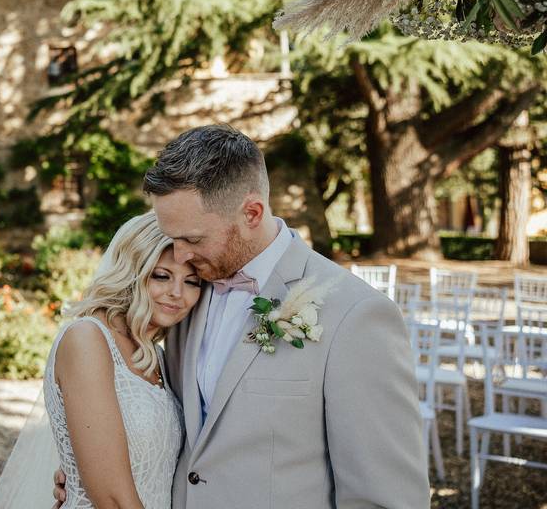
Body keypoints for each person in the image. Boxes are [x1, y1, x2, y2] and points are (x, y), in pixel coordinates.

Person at [53, 124, 429, 508]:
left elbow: (387, 497)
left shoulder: (355, 316)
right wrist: (90, 472)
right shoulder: (189, 297)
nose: (179, 255)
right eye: (172, 238)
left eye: (193, 239)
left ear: (251, 212)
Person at [46, 211, 202, 509]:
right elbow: (112, 500)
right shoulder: (87, 339)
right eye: (162, 276)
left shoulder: (157, 356)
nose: (177, 294)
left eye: (192, 282)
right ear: (131, 271)